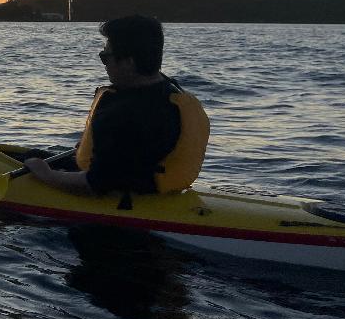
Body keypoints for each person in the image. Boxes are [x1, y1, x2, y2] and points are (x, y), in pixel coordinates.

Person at [22, 15, 208, 198]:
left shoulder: (121, 114)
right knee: (31, 155)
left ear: (129, 62)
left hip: (127, 191)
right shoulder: (171, 91)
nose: (104, 64)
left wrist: (46, 174)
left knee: (32, 164)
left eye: (106, 57)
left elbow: (95, 185)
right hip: (153, 180)